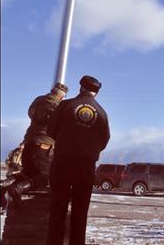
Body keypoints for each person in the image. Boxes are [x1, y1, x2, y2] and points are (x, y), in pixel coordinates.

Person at [46, 75, 110, 245]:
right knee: (80, 213)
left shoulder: (65, 106)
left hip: (63, 163)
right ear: (96, 93)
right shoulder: (102, 113)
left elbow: (50, 130)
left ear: (80, 88)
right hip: (86, 166)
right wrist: (89, 150)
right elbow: (104, 139)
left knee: (58, 209)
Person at [7, 82, 68, 201]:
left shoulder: (39, 101)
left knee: (28, 176)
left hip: (28, 143)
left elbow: (30, 113)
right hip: (43, 149)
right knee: (44, 178)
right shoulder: (58, 106)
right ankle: (16, 189)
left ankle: (8, 182)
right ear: (62, 96)